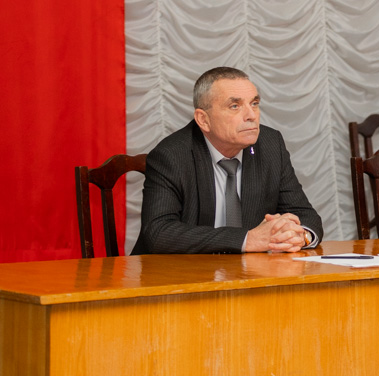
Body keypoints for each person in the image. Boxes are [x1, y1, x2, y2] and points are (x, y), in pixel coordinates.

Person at [131, 67, 324, 254]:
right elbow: (158, 232)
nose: (251, 116)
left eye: (254, 104)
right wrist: (247, 240)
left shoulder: (270, 145)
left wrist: (299, 236)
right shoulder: (171, 155)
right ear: (203, 119)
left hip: (250, 270)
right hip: (180, 272)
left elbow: (305, 215)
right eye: (235, 106)